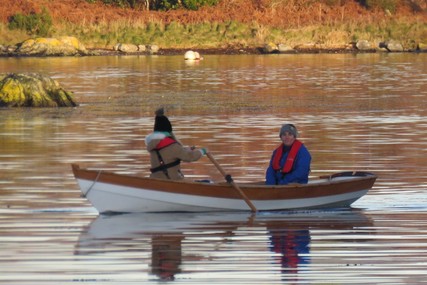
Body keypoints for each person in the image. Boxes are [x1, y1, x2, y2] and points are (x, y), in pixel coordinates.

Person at [145, 108, 208, 180]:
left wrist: (185, 149)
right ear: (168, 131)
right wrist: (202, 151)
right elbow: (189, 157)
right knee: (207, 182)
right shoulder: (172, 146)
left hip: (155, 179)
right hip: (172, 180)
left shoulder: (153, 144)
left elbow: (167, 154)